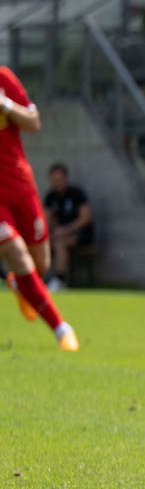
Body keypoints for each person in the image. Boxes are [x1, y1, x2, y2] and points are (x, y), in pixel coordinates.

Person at [0, 69, 78, 350]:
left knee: (40, 265)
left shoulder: (4, 79)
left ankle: (19, 284)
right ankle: (61, 329)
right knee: (16, 254)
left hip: (21, 187)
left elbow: (33, 123)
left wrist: (5, 105)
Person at [41, 162, 94, 291]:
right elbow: (46, 219)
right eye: (54, 181)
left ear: (65, 178)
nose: (56, 183)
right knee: (41, 243)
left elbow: (86, 218)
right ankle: (36, 279)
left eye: (59, 180)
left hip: (80, 235)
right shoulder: (51, 196)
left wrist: (67, 229)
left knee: (60, 242)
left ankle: (60, 280)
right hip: (58, 235)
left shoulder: (76, 194)